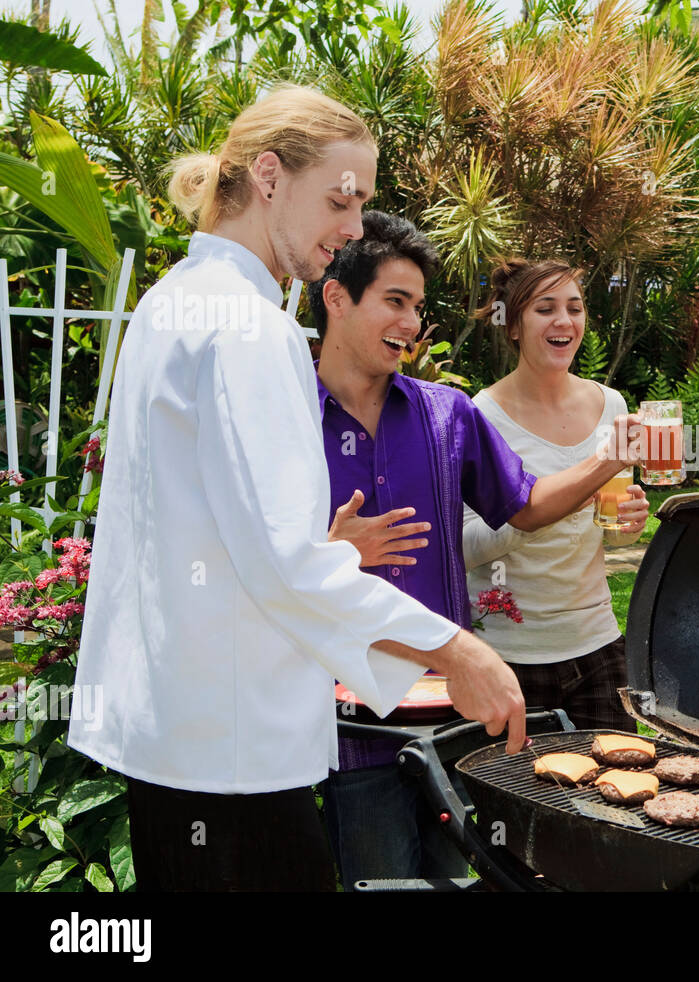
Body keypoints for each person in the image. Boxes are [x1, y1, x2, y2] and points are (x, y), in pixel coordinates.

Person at [66, 86, 527, 892]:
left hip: (178, 736)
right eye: (341, 200)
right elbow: (285, 560)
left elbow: (219, 533)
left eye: (363, 204)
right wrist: (453, 648)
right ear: (270, 177)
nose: (353, 227)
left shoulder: (172, 302)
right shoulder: (251, 327)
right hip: (230, 751)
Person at [311, 216, 645, 888]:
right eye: (394, 302)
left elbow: (525, 505)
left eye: (417, 307)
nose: (410, 323)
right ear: (337, 298)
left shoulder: (446, 415)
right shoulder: (286, 415)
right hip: (350, 724)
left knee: (458, 879)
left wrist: (607, 460)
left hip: (450, 715)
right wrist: (324, 550)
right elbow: (244, 548)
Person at [463, 260, 650, 733]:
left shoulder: (611, 406)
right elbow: (464, 546)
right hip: (510, 654)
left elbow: (607, 536)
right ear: (513, 327)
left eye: (574, 307)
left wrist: (626, 524)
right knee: (523, 804)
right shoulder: (480, 417)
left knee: (618, 792)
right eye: (545, 309)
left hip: (597, 643)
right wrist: (544, 506)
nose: (564, 321)